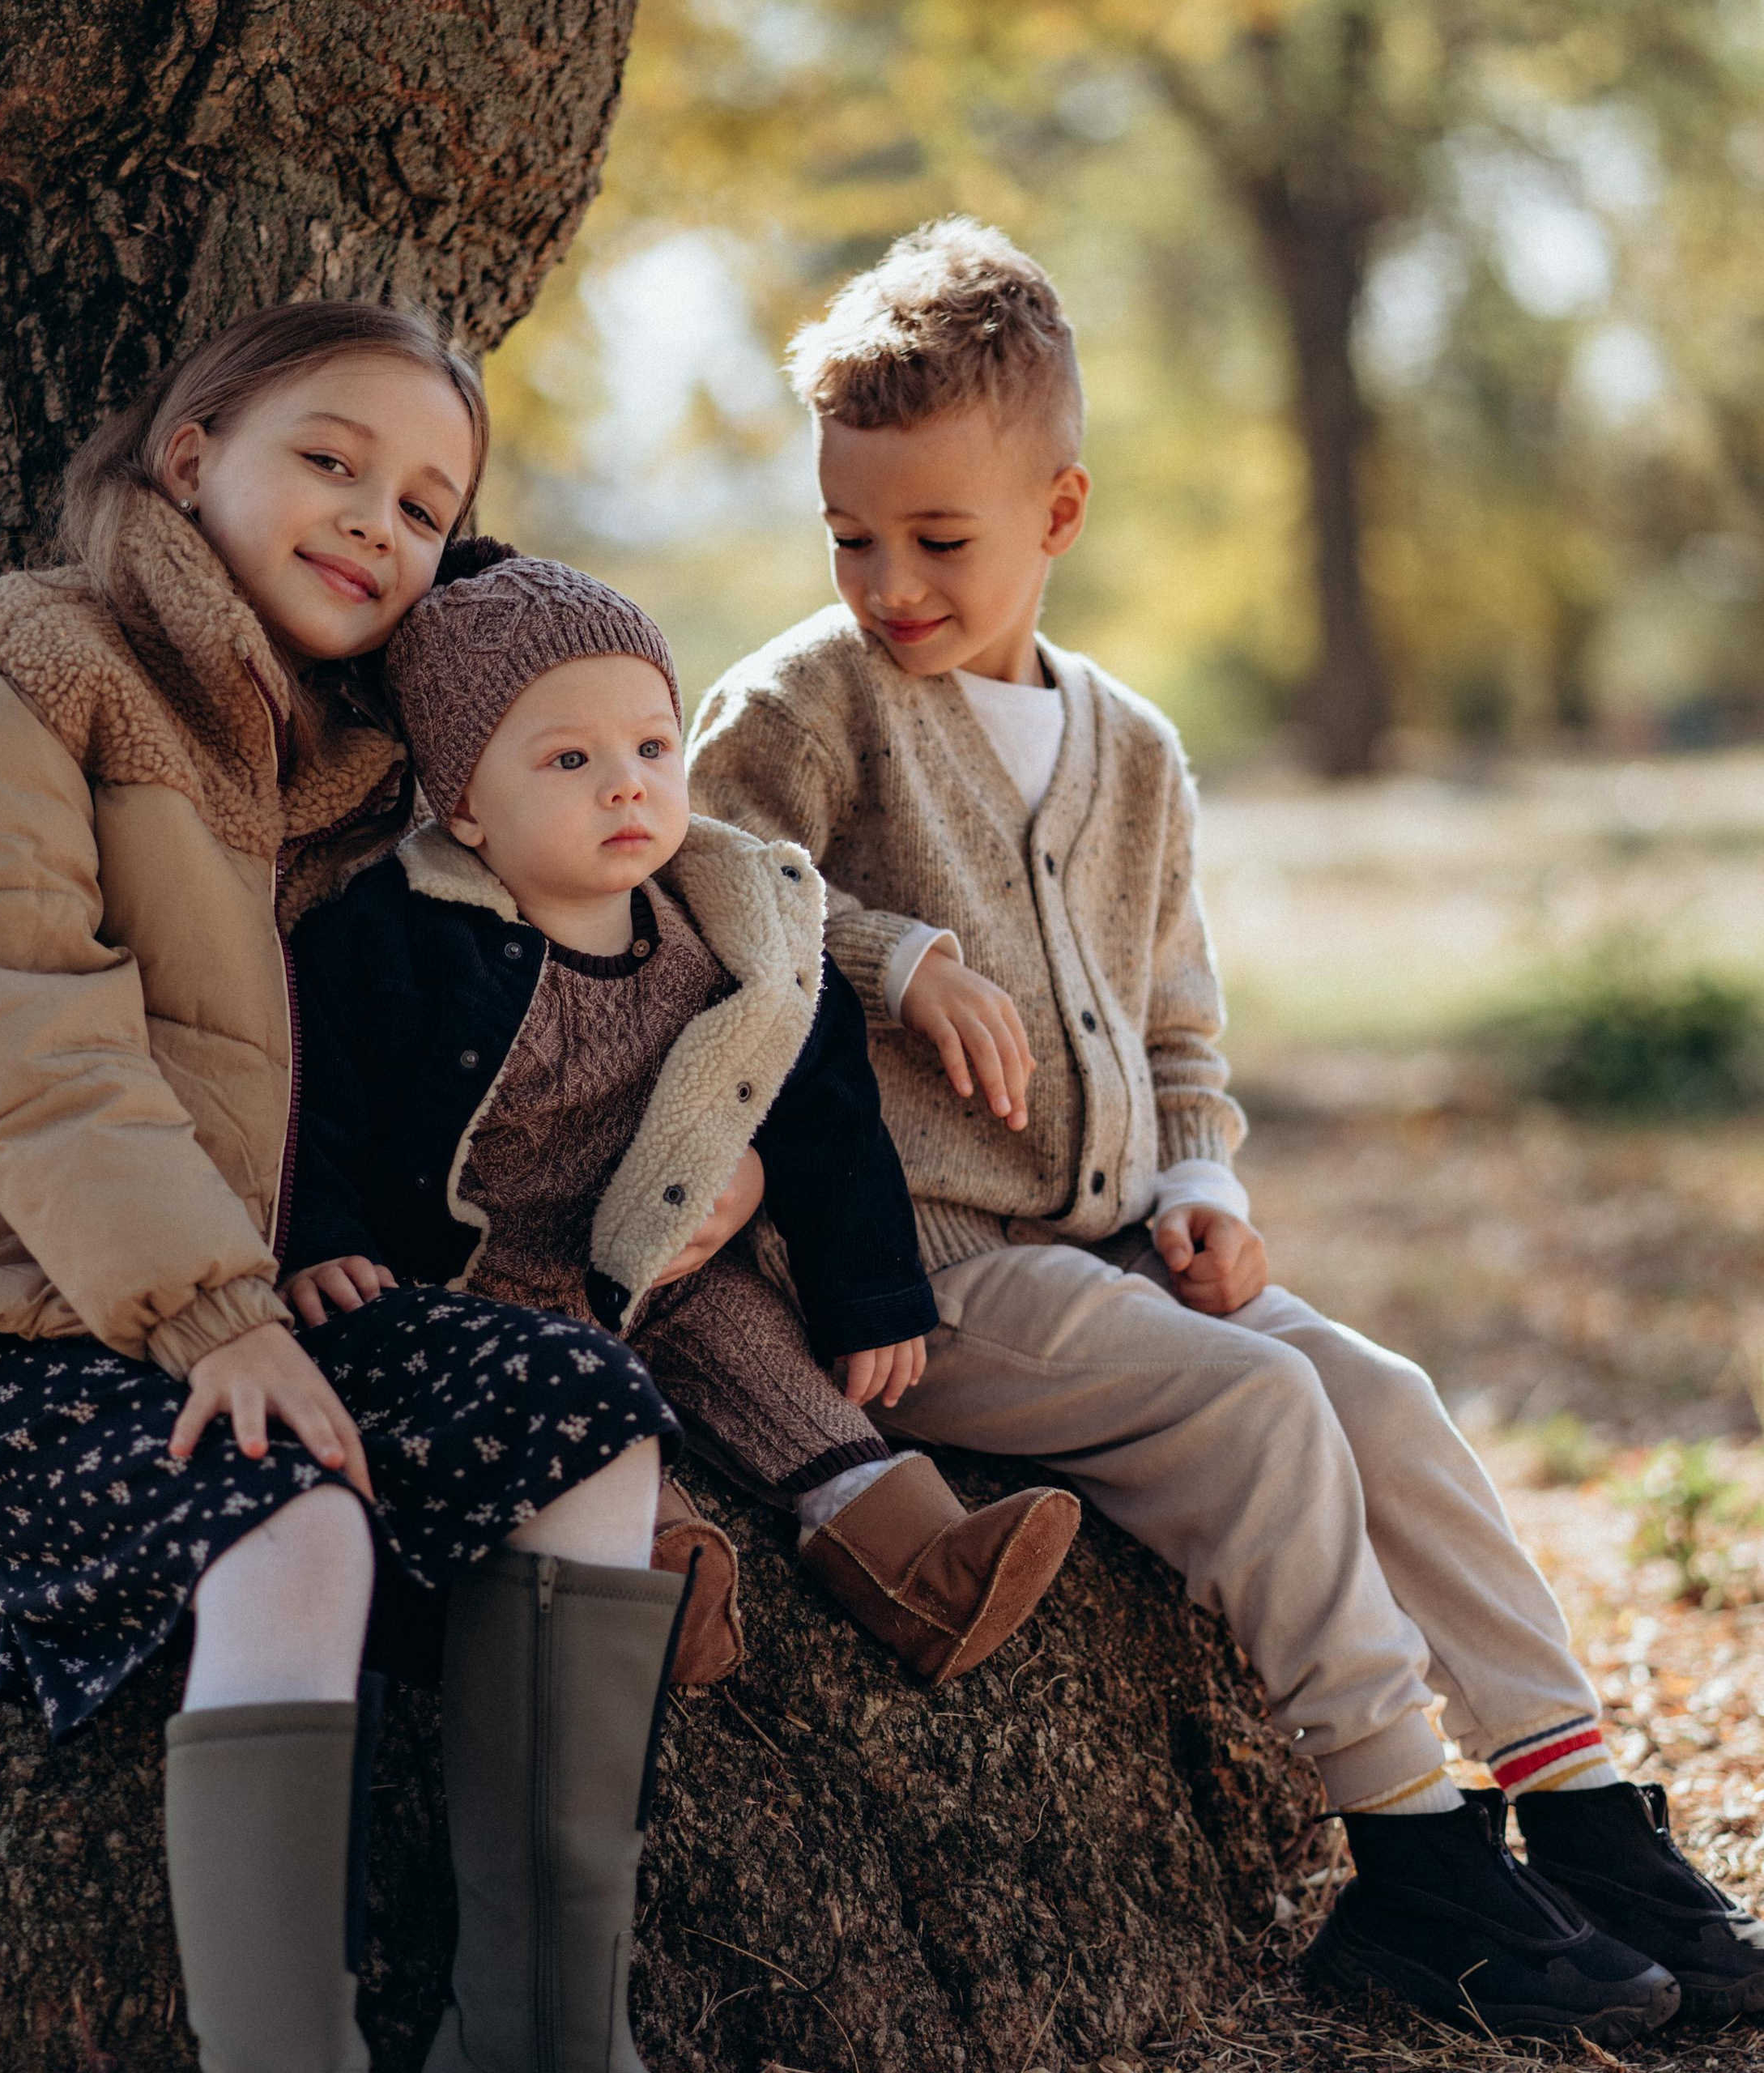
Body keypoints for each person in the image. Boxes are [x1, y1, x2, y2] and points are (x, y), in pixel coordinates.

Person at [685, 217, 1764, 2047]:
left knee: (1378, 1396)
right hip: (928, 1279)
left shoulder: (1133, 749)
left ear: (1060, 514)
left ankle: (1578, 1807)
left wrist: (1199, 1179)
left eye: (938, 539)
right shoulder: (803, 703)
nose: (889, 581)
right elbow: (699, 886)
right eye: (849, 535)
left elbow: (1175, 1014)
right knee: (1256, 1409)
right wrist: (890, 950)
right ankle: (1412, 1857)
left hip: (1113, 1252)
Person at [0, 302, 706, 2073]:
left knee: (586, 1410)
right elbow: (27, 1037)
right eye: (329, 461)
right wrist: (214, 1312)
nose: (374, 522)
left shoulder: (340, 764)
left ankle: (548, 2033)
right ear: (191, 462)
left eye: (424, 505)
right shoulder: (7, 674)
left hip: (233, 1293)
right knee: (292, 1511)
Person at [281, 547, 1080, 1690]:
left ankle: (922, 1565)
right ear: (462, 801)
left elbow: (821, 1096)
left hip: (665, 1263)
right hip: (477, 1292)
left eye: (653, 748)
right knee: (581, 1438)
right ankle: (652, 1593)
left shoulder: (724, 926)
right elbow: (317, 1089)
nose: (627, 785)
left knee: (775, 1377)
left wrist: (869, 1291)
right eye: (570, 758)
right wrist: (320, 1238)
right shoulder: (396, 932)